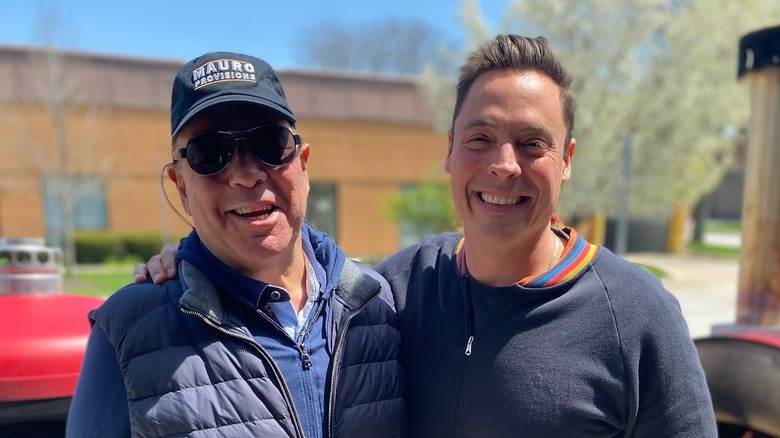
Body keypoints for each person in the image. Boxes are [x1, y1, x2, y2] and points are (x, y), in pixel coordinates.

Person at [136, 36, 717, 436]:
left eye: (533, 143)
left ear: (566, 159)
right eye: (481, 137)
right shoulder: (396, 288)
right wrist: (190, 260)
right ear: (449, 151)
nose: (504, 165)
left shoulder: (638, 318)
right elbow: (289, 263)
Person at [67, 51, 405, 437]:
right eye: (210, 153)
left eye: (269, 142)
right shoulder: (126, 332)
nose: (245, 175)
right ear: (181, 188)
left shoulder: (379, 305)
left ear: (303, 164)